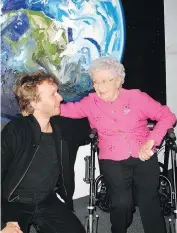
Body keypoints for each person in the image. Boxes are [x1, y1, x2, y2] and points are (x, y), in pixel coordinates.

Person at [59, 56, 177, 233]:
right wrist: (43, 103)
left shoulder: (137, 97)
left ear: (119, 81)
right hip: (112, 158)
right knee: (121, 203)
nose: (99, 86)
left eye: (105, 81)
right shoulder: (91, 102)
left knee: (149, 200)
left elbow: (167, 116)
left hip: (144, 154)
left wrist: (151, 141)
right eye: (96, 82)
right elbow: (66, 110)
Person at [1, 71, 90, 233]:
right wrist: (5, 221)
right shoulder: (17, 130)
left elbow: (94, 118)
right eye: (53, 94)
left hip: (46, 200)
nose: (60, 98)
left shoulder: (64, 128)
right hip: (15, 202)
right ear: (33, 103)